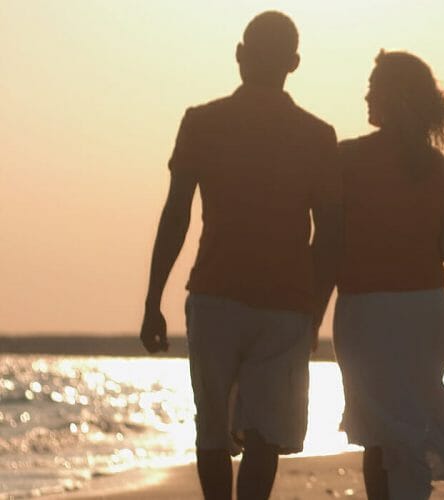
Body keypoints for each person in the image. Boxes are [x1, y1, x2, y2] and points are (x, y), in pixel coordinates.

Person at [139, 11, 341, 500]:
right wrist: (314, 313)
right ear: (293, 63)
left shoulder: (203, 122)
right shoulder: (316, 135)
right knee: (265, 435)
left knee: (211, 430)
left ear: (239, 54)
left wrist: (152, 301)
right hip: (285, 304)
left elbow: (175, 216)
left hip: (216, 296)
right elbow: (332, 236)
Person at [330, 50, 444, 499]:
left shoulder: (345, 159)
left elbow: (327, 243)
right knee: (413, 415)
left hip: (365, 310)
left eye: (373, 86)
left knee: (377, 427)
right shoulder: (440, 169)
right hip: (424, 313)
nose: (366, 94)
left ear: (393, 97)